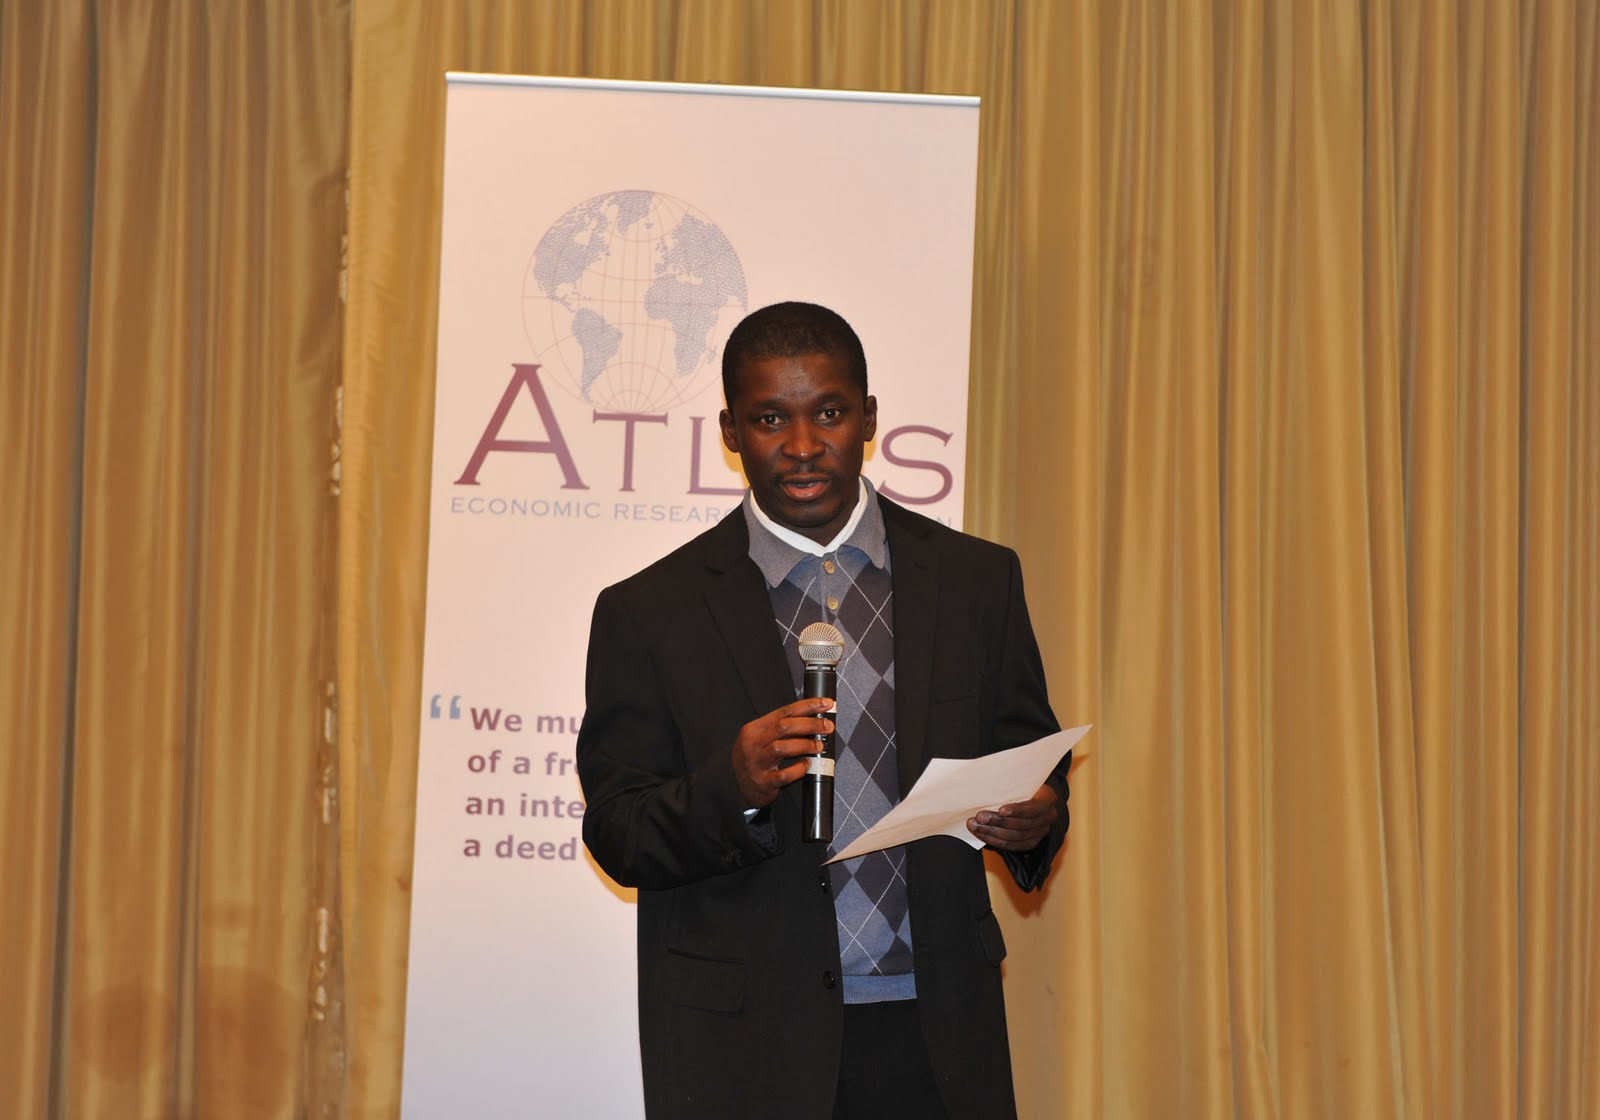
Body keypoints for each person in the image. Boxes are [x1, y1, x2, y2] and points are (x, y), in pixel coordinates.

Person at [577, 301, 1071, 1120]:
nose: (803, 446)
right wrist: (732, 786)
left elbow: (1033, 761)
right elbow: (618, 828)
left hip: (940, 1031)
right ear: (731, 430)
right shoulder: (650, 611)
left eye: (830, 413)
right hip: (745, 1045)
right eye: (771, 418)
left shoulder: (977, 582)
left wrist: (1037, 816)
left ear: (869, 418)